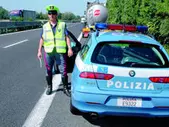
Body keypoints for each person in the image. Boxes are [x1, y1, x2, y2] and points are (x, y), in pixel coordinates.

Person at [37, 5, 73, 96]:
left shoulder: (62, 24)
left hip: (60, 52)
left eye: (53, 13)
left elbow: (66, 37)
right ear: (48, 15)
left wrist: (69, 48)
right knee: (49, 70)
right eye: (50, 13)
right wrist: (39, 51)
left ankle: (65, 88)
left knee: (63, 70)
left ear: (56, 14)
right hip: (49, 51)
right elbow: (42, 39)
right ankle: (49, 87)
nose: (51, 15)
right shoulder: (45, 26)